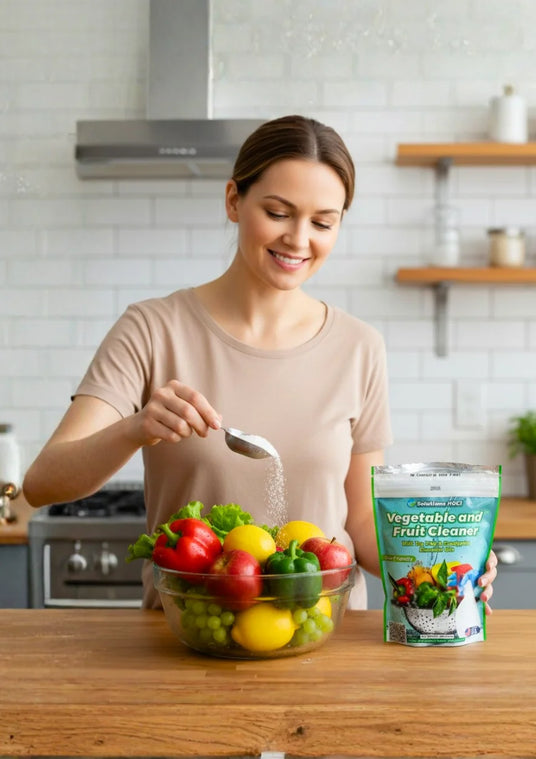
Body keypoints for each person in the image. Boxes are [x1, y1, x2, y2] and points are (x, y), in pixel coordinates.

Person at [22, 115, 497, 610]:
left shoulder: (359, 347)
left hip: (324, 646)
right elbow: (43, 482)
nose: (298, 239)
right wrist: (136, 428)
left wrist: (446, 559)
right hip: (192, 641)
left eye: (322, 222)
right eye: (278, 212)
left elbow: (360, 522)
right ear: (234, 200)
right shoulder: (151, 329)